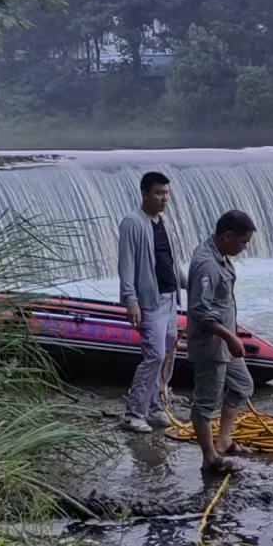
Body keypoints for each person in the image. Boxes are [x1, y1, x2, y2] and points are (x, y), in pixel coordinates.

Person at [186, 209, 257, 471]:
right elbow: (199, 310)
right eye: (243, 242)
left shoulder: (220, 256)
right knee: (206, 402)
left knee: (242, 385)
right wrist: (229, 336)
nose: (244, 247)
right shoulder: (207, 265)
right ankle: (210, 458)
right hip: (211, 345)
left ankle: (224, 440)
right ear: (227, 236)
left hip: (226, 341)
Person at [118, 170, 183, 434]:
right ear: (144, 193)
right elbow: (126, 265)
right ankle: (133, 413)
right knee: (154, 356)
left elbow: (171, 262)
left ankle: (156, 407)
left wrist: (190, 282)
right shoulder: (132, 223)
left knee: (168, 355)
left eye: (167, 193)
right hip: (149, 301)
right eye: (159, 193)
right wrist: (130, 300)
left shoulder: (164, 222)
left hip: (170, 298)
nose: (164, 198)